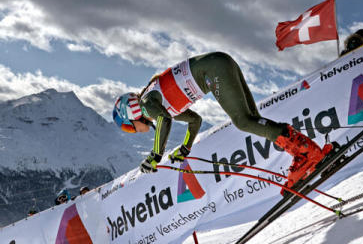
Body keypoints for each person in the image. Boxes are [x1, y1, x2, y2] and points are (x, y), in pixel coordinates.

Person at [113, 52, 328, 188]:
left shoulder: (146, 102)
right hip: (219, 63)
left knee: (243, 122)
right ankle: (307, 150)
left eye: (129, 128)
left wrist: (155, 156)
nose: (135, 131)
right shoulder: (160, 105)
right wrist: (186, 148)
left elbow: (164, 121)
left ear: (132, 113)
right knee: (252, 119)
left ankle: (304, 153)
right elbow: (195, 120)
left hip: (214, 70)